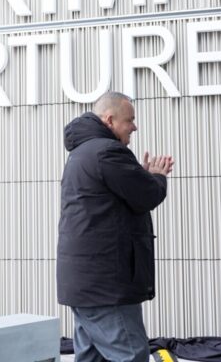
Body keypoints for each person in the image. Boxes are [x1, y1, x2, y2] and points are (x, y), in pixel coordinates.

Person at [57, 91, 174, 362]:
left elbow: (125, 195)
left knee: (92, 357)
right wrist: (156, 176)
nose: (134, 126)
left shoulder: (82, 153)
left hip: (86, 283)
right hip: (107, 285)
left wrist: (142, 177)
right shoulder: (108, 152)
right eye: (129, 120)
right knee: (130, 355)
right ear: (110, 120)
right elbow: (147, 195)